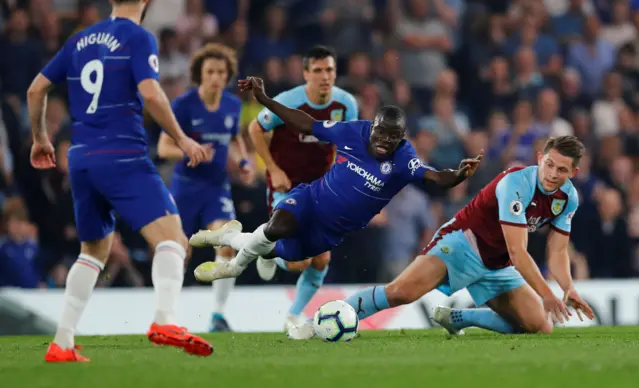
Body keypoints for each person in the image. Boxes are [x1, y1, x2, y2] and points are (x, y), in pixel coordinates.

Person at [27, 0, 213, 362]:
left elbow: (36, 88)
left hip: (81, 159)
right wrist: (180, 137)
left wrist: (41, 138)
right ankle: (165, 318)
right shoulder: (139, 37)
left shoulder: (79, 40)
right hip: (123, 154)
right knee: (173, 240)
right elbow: (151, 93)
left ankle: (62, 342)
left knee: (93, 250)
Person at [188, 77, 482, 304]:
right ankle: (234, 267)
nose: (384, 141)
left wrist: (457, 174)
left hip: (329, 231)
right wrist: (265, 98)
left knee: (283, 254)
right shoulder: (353, 131)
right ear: (373, 126)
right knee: (278, 225)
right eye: (380, 133)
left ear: (402, 138)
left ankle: (228, 237)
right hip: (310, 199)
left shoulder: (404, 157)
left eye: (392, 138)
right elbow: (304, 122)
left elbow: (434, 178)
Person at [296, 136, 596, 339]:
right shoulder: (515, 183)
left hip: (497, 264)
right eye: (549, 164)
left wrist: (567, 287)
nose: (553, 174)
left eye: (562, 170)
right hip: (463, 244)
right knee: (401, 292)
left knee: (540, 327)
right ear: (540, 157)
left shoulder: (568, 197)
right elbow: (519, 252)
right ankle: (317, 322)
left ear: (574, 172)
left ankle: (459, 318)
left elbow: (558, 251)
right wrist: (547, 293)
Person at [247, 45, 358, 330]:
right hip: (286, 185)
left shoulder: (346, 105)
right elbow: (255, 129)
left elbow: (347, 143)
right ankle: (269, 250)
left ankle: (293, 316)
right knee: (299, 261)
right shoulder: (288, 102)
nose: (325, 76)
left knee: (321, 258)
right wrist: (272, 169)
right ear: (305, 73)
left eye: (330, 70)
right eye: (318, 70)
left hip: (321, 189)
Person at [157, 43, 254, 332]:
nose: (215, 77)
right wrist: (192, 151)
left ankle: (218, 315)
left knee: (227, 240)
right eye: (210, 71)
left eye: (221, 72)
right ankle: (167, 315)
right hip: (186, 187)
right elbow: (163, 148)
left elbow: (234, 138)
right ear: (200, 74)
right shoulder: (183, 105)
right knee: (179, 252)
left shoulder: (232, 105)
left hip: (217, 187)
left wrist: (244, 161)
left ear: (227, 76)